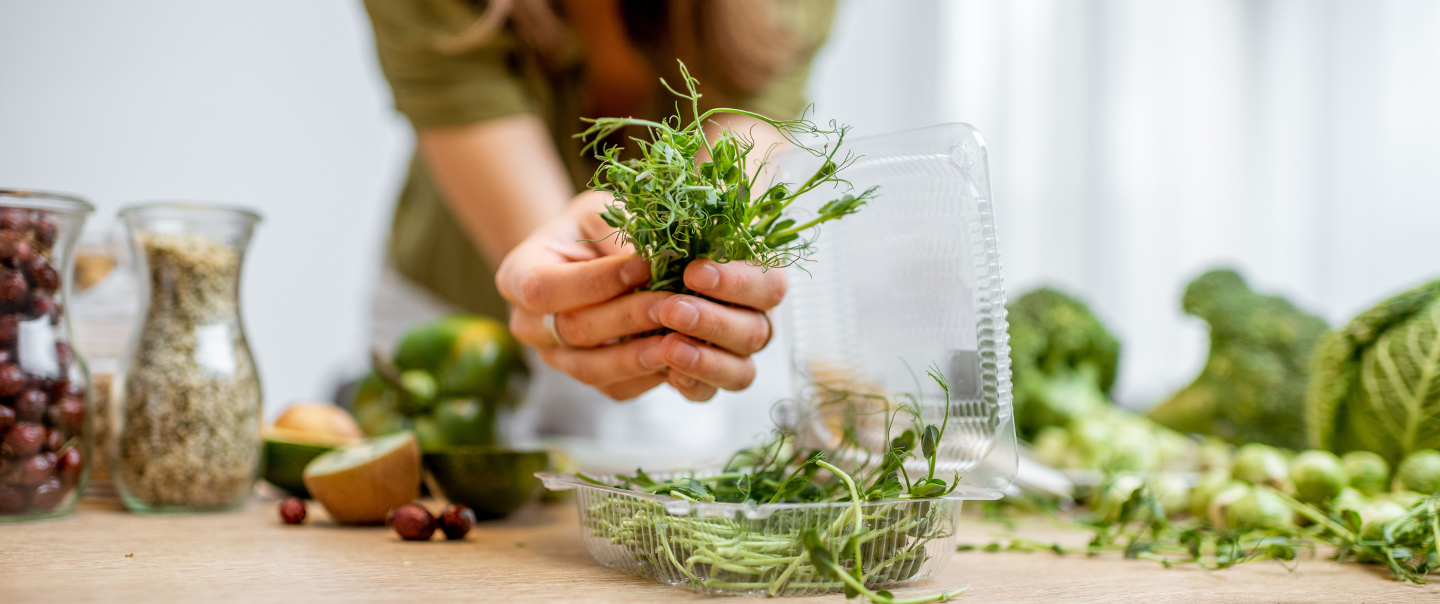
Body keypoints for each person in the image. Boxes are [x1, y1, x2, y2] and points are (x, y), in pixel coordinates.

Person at [362, 0, 837, 421]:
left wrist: (719, 282)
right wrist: (571, 292)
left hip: (664, 350)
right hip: (458, 330)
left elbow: (735, 168)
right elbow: (547, 273)